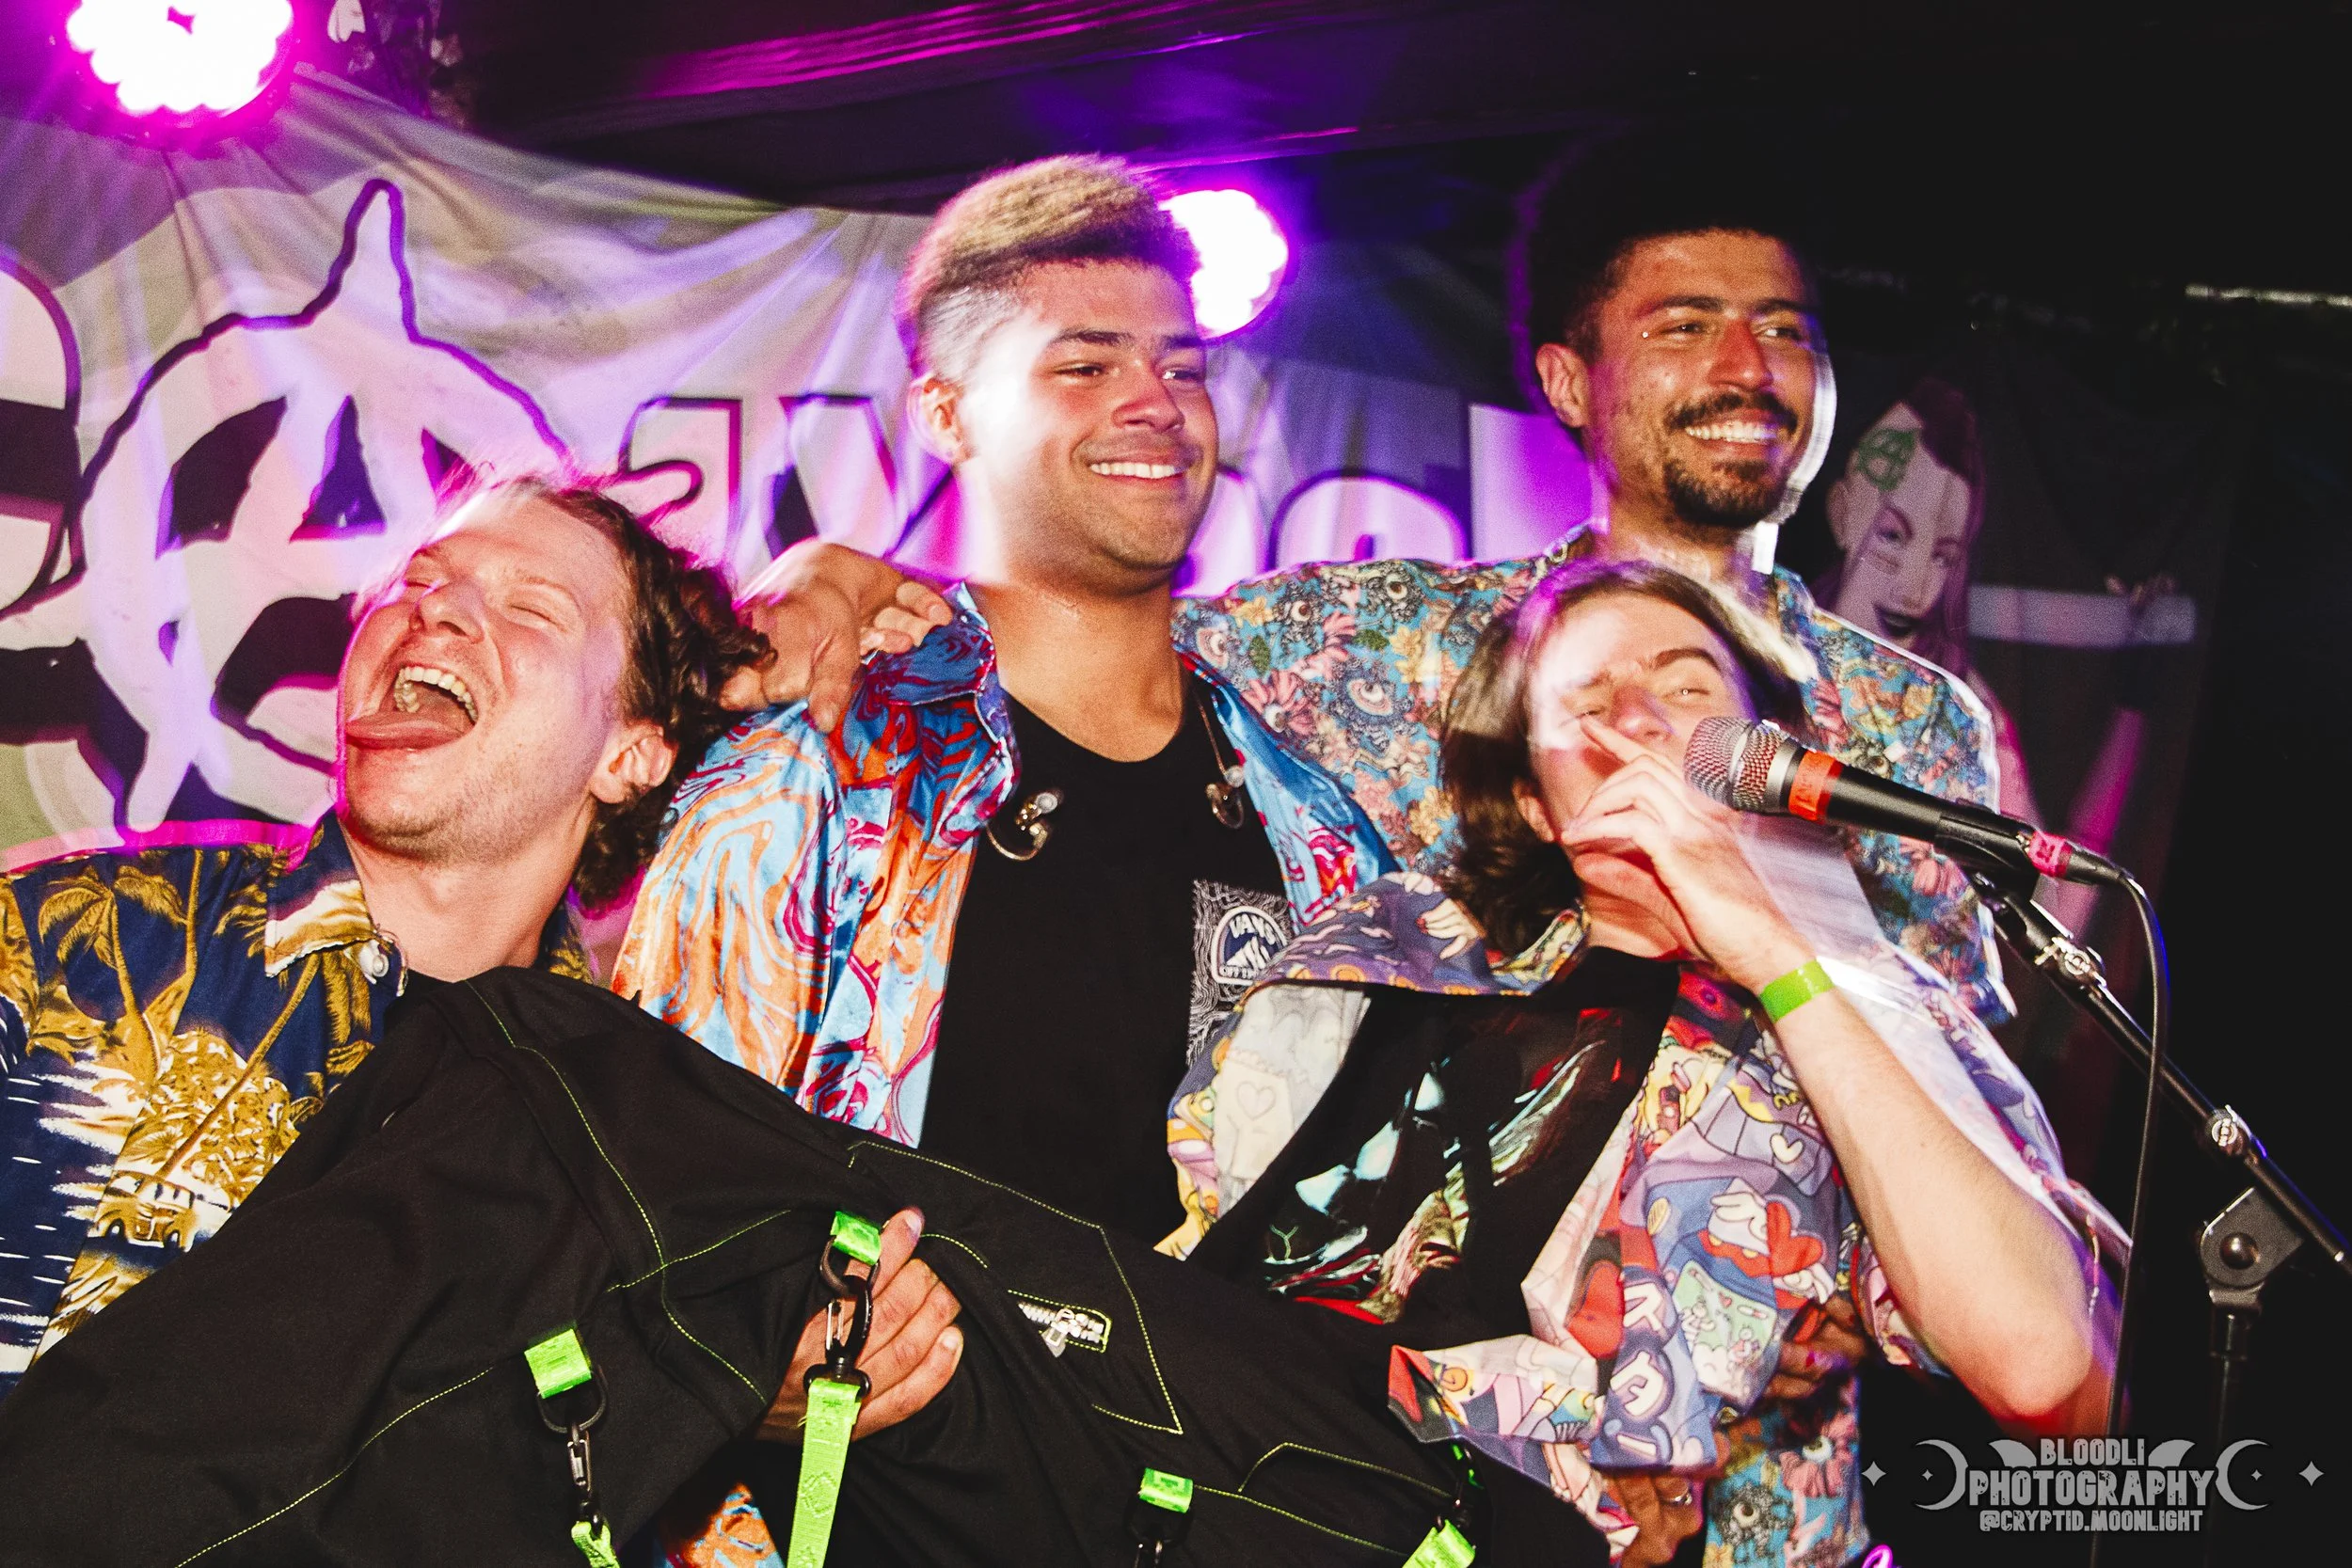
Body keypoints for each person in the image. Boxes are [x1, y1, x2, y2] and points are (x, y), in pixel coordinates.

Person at [1167, 558, 2123, 1565]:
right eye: (1588, 697)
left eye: (1686, 686)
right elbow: (1203, 1217)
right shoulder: (1388, 936)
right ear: (1537, 800)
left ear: (1763, 757)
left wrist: (1780, 955)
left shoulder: (1872, 1006)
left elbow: (2053, 1377)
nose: (1640, 721)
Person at [0, 479, 963, 1442]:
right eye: (420, 580)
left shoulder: (624, 1138)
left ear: (632, 750)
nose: (439, 608)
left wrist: (725, 1399)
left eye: (531, 605)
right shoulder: (78, 941)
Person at [1820, 376, 2042, 821]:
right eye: (1892, 536)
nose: (1914, 589)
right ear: (1843, 513)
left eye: (1943, 557)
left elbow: (2036, 883)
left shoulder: (1967, 717)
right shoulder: (1773, 646)